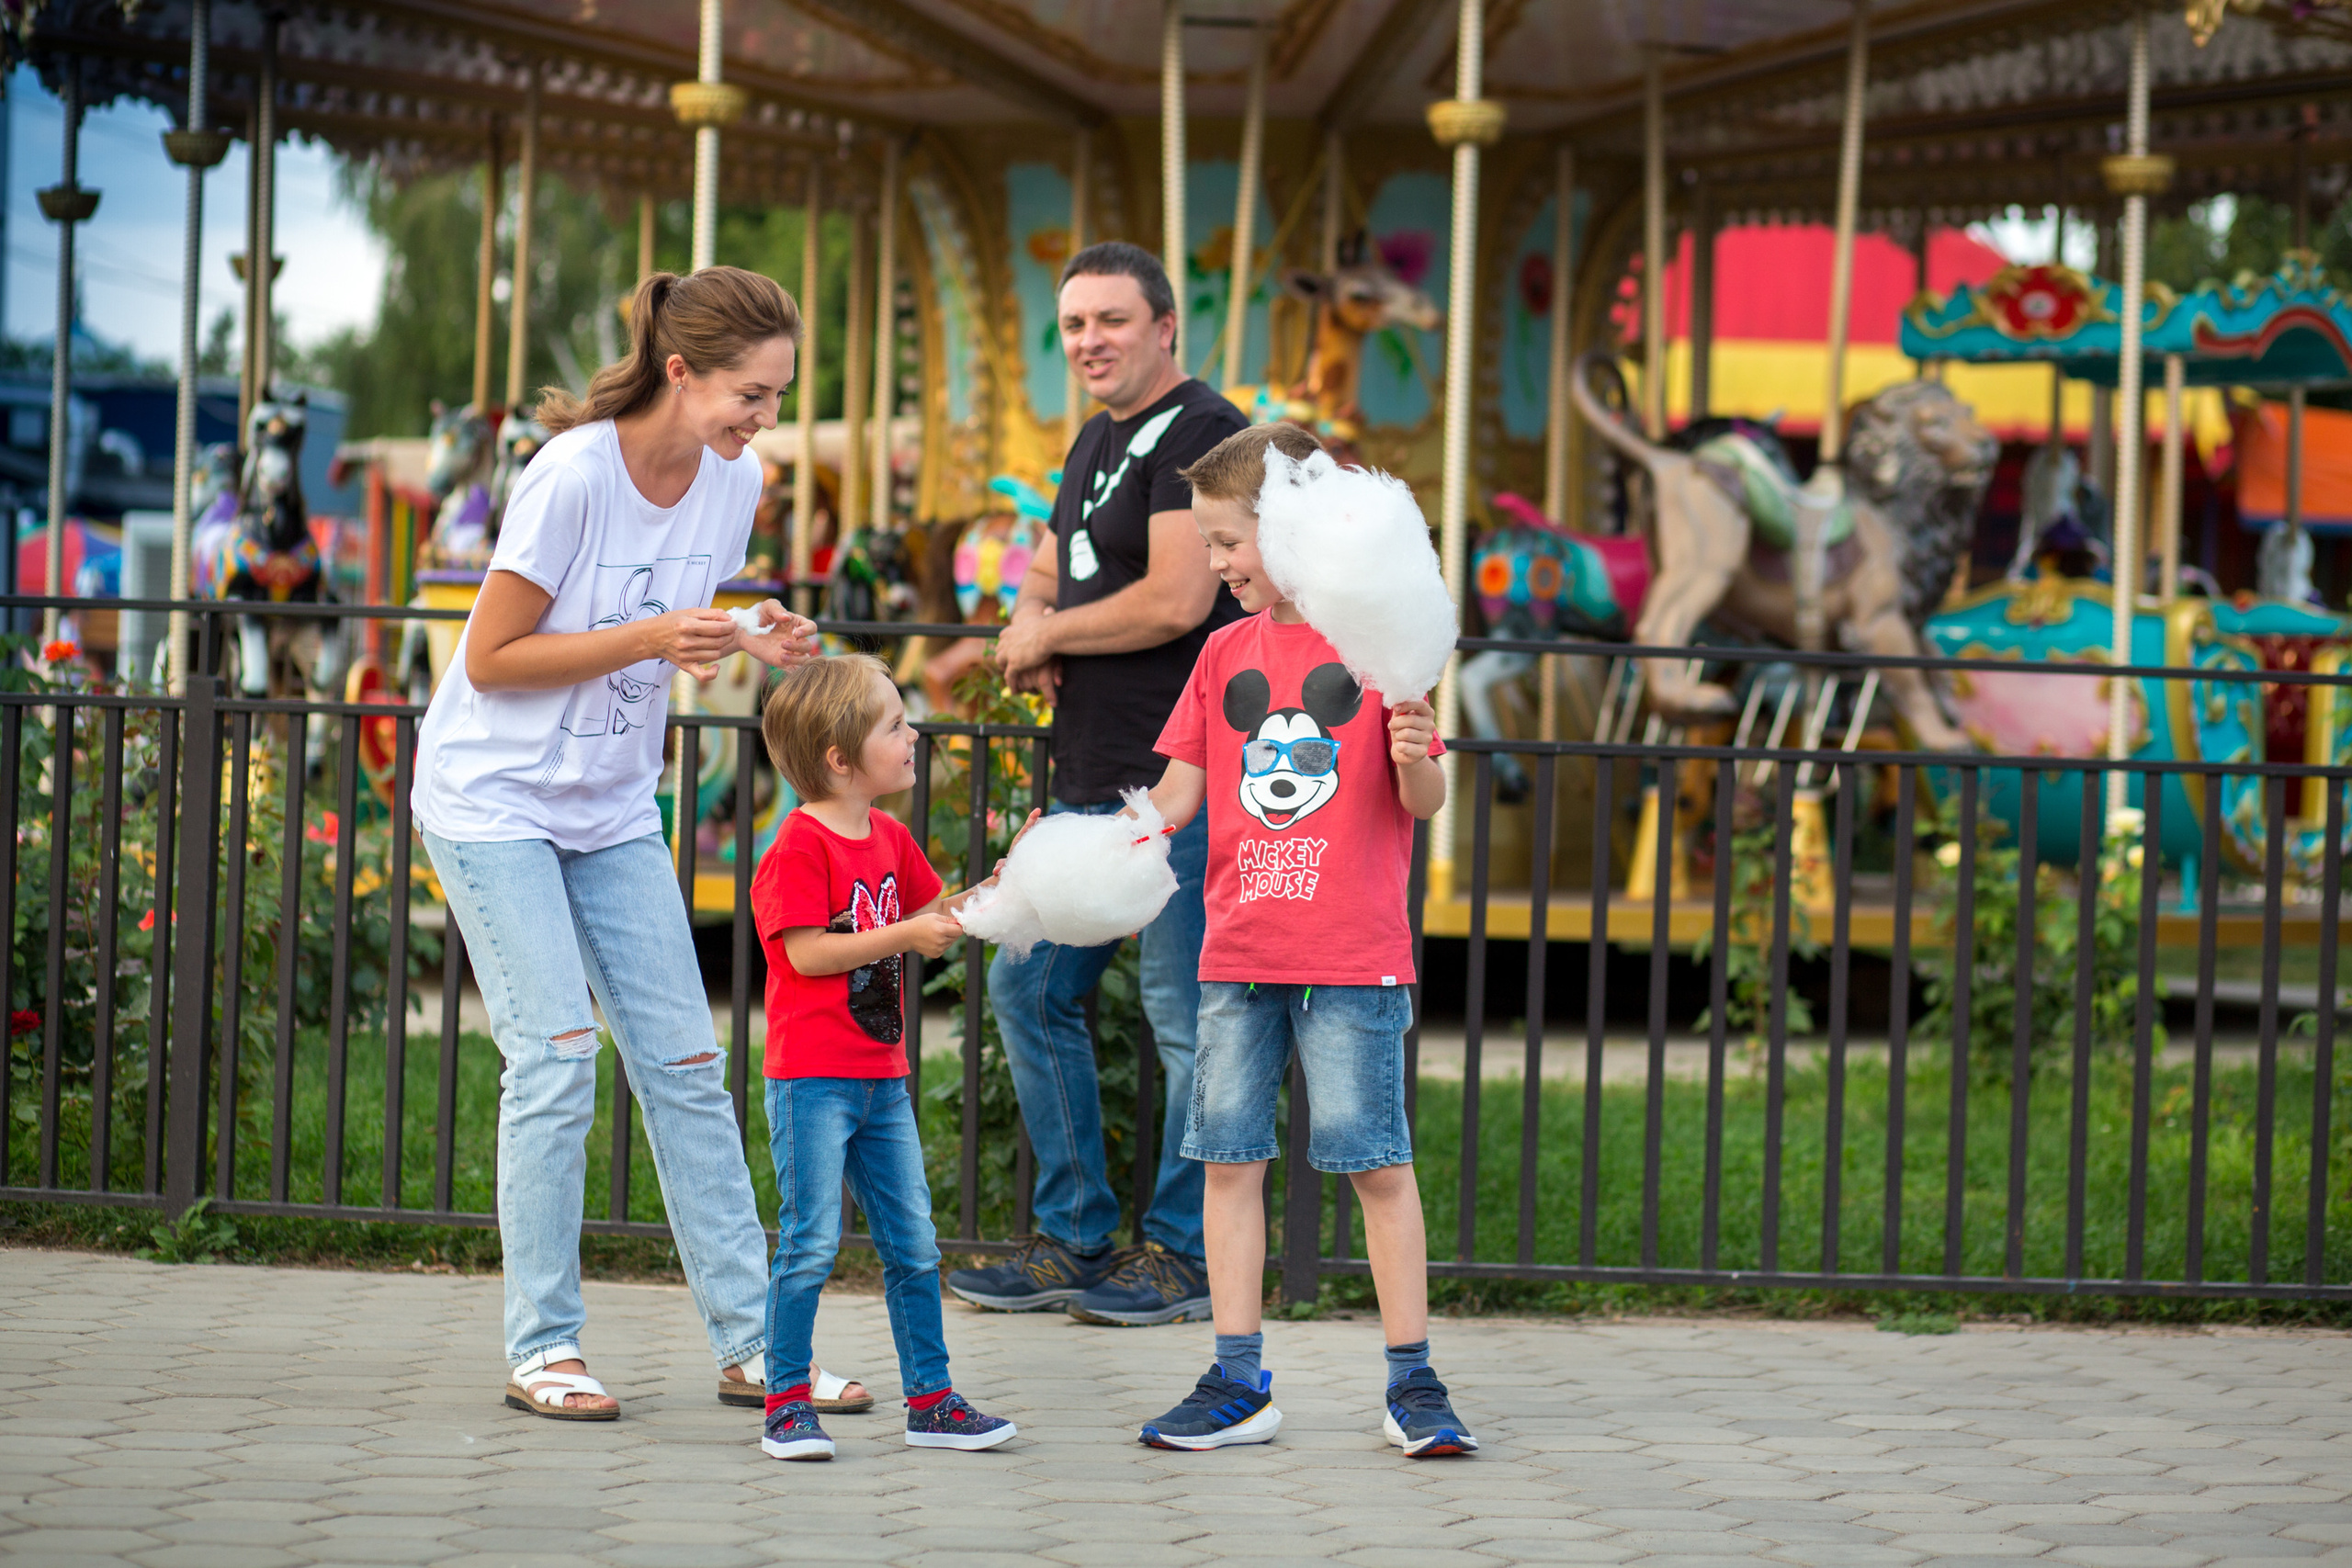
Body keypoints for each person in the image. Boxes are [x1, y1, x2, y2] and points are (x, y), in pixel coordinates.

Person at [413, 265, 864, 1420]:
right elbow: (491, 659)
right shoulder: (569, 476)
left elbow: (683, 604)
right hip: (494, 797)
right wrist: (652, 635)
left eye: (773, 397)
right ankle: (544, 1348)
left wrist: (749, 628)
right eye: (750, 396)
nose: (764, 421)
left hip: (610, 805)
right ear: (680, 371)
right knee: (559, 1057)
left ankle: (758, 1345)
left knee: (686, 1065)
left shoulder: (734, 478)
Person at [1129, 423, 1477, 1458]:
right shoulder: (1222, 656)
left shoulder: (1375, 644)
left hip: (1352, 957)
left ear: (1291, 530)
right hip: (1238, 953)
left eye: (1228, 540)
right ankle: (1239, 1380)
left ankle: (1413, 1384)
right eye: (1209, 541)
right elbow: (1174, 801)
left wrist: (1416, 749)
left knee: (1377, 1165)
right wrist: (1073, 862)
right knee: (1227, 1161)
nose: (1217, 561)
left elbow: (1424, 796)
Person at [947, 242, 1247, 1326]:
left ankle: (1179, 1251)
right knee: (1029, 987)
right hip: (1088, 773)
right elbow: (1057, 550)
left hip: (1177, 779)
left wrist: (1052, 629)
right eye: (1073, 325)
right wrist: (1030, 615)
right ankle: (1072, 1235)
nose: (1089, 342)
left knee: (1183, 1015)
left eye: (1111, 321)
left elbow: (1175, 598)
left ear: (1166, 327)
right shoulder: (1097, 436)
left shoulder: (1201, 434)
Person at [749, 654, 1018, 1461]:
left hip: (883, 1082)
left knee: (915, 1245)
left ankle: (932, 1402)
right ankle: (785, 1403)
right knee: (809, 1246)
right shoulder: (797, 848)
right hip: (812, 1083)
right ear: (840, 758)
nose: (912, 737)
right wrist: (907, 934)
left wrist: (1003, 884)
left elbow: (939, 913)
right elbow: (806, 955)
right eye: (894, 725)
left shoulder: (891, 837)